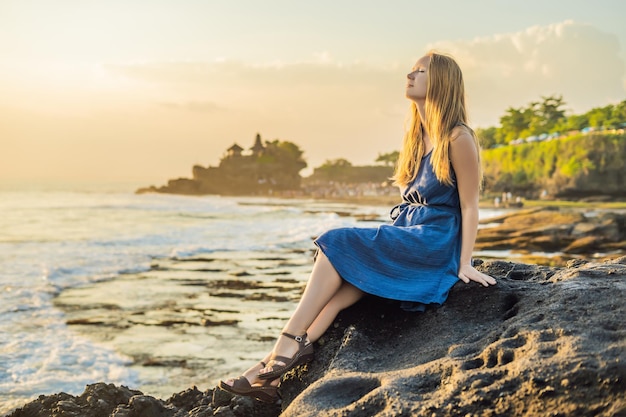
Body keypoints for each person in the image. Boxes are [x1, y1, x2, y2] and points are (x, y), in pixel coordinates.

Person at [219, 51, 497, 402]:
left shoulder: (458, 138)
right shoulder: (416, 138)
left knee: (336, 240)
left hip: (432, 241)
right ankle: (267, 375)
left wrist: (465, 263)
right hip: (408, 234)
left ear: (441, 81)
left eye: (420, 71)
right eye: (411, 70)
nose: (409, 76)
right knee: (334, 301)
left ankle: (285, 343)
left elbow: (471, 205)